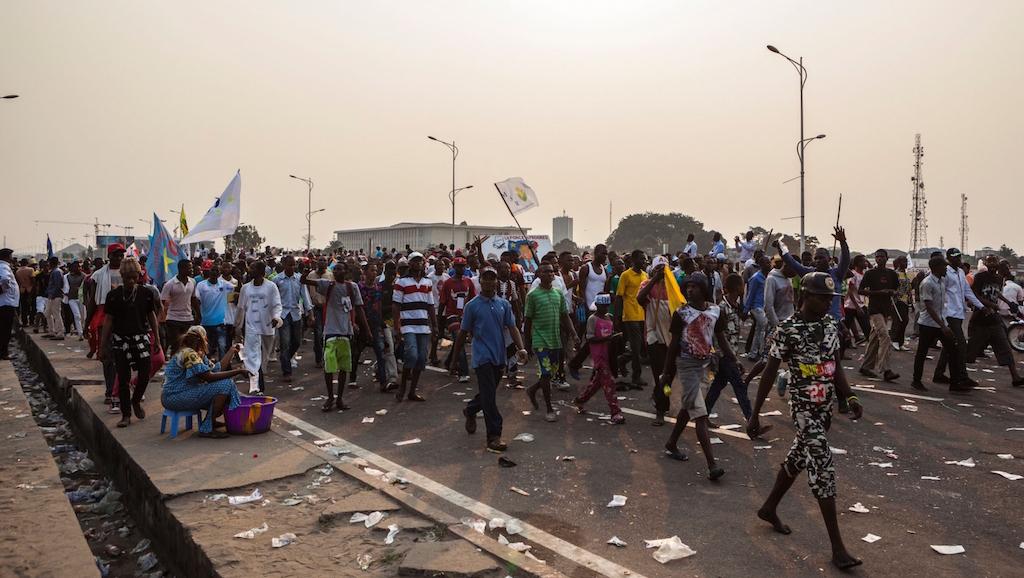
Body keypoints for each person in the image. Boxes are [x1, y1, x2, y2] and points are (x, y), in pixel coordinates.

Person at [746, 272, 864, 571]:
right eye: (822, 297)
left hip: (823, 410)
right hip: (803, 410)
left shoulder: (830, 325)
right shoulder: (787, 329)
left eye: (830, 298)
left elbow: (834, 365)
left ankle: (769, 507)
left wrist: (849, 397)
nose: (827, 303)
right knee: (822, 467)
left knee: (797, 459)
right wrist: (755, 413)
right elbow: (770, 371)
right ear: (805, 296)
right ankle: (837, 548)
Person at [659, 273, 730, 481]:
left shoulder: (715, 311)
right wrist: (667, 373)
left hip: (704, 363)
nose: (690, 290)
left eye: (695, 287)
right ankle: (712, 465)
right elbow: (673, 345)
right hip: (687, 365)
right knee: (700, 414)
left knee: (689, 406)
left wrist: (732, 359)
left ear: (704, 289)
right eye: (687, 287)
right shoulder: (681, 313)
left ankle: (671, 442)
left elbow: (720, 337)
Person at [453, 268, 528, 453]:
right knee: (490, 398)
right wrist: (454, 359)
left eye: (491, 279)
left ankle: (471, 409)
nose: (488, 282)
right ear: (481, 282)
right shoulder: (472, 306)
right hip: (482, 356)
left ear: (496, 282)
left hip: (498, 356)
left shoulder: (503, 304)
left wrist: (521, 348)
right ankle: (494, 435)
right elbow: (463, 333)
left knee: (488, 394)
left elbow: (512, 327)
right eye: (485, 279)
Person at [98, 258, 161, 428]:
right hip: (120, 340)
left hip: (141, 338)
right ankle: (126, 414)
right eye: (128, 278)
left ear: (139, 276)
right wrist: (102, 346)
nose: (131, 281)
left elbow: (151, 317)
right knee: (123, 378)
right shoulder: (114, 296)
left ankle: (136, 400)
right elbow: (108, 321)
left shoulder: (146, 293)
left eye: (135, 277)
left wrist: (157, 339)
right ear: (122, 277)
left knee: (145, 373)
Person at [301, 263, 370, 411]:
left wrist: (366, 329)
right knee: (329, 366)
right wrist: (304, 274)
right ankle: (330, 397)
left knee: (344, 367)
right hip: (331, 331)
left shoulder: (352, 288)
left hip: (346, 332)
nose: (337, 271)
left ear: (346, 271)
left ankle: (339, 398)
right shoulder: (328, 285)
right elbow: (305, 282)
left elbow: (359, 308)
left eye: (340, 269)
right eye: (335, 269)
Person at [160, 326, 248, 438]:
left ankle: (211, 422)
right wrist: (238, 371)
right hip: (175, 396)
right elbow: (209, 377)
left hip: (175, 395)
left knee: (223, 386)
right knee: (226, 384)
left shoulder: (196, 353)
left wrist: (231, 351)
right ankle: (207, 428)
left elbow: (217, 369)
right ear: (201, 340)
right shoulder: (189, 353)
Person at [524, 263, 579, 422]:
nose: (550, 274)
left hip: (556, 340)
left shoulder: (558, 294)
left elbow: (565, 316)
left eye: (551, 271)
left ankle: (532, 390)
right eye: (545, 271)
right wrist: (527, 346)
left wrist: (574, 334)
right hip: (540, 340)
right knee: (546, 373)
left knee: (551, 373)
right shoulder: (532, 296)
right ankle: (549, 408)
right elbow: (527, 322)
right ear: (539, 275)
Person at [636, 255, 685, 424]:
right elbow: (640, 299)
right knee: (660, 373)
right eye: (659, 269)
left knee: (669, 374)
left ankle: (658, 394)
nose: (663, 273)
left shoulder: (673, 288)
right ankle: (660, 410)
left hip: (671, 336)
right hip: (653, 334)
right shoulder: (646, 285)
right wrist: (654, 279)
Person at [704, 273, 756, 421]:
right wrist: (734, 359)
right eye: (742, 286)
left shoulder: (736, 305)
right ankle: (752, 420)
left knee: (718, 385)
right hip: (725, 355)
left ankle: (703, 415)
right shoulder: (721, 308)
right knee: (739, 386)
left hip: (731, 352)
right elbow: (720, 337)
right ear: (738, 287)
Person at [965, 255, 1024, 386]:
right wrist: (989, 305)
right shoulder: (980, 277)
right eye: (990, 266)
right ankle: (961, 374)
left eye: (995, 266)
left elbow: (996, 293)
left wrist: (1008, 302)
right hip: (980, 316)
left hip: (994, 318)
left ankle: (1015, 377)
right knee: (971, 350)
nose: (993, 268)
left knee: (1005, 346)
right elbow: (974, 294)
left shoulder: (999, 279)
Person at [911, 256, 964, 392]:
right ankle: (916, 381)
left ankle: (955, 383)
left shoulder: (941, 281)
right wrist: (943, 326)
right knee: (922, 353)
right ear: (936, 268)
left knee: (953, 351)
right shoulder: (928, 283)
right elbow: (929, 307)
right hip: (928, 324)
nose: (946, 269)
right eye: (944, 266)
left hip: (940, 322)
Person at [933, 248, 984, 388]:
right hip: (949, 313)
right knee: (961, 345)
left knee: (949, 345)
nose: (957, 259)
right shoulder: (946, 273)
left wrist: (981, 306)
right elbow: (940, 292)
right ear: (948, 258)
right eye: (954, 257)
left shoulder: (961, 272)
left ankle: (939, 373)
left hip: (959, 313)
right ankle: (962, 376)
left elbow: (968, 292)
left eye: (959, 256)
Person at [571, 293, 624, 423]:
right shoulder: (592, 319)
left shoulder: (608, 317)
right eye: (602, 306)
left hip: (608, 354)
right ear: (597, 305)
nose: (605, 309)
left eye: (606, 306)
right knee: (609, 383)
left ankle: (580, 400)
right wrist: (607, 338)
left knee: (597, 383)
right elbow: (590, 338)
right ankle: (615, 412)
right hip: (599, 355)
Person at [392, 252, 437, 402]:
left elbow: (430, 305)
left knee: (421, 358)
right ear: (410, 264)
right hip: (408, 324)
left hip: (423, 324)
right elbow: (396, 305)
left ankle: (412, 390)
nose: (417, 264)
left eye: (420, 261)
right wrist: (397, 326)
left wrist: (435, 325)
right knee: (411, 355)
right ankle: (403, 386)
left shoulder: (427, 282)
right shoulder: (402, 282)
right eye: (415, 261)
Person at [85, 244, 125, 405]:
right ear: (109, 256)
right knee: (107, 357)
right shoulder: (98, 275)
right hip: (104, 317)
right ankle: (110, 391)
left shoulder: (128, 272)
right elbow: (92, 301)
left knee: (124, 358)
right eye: (116, 255)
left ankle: (121, 389)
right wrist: (86, 323)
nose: (119, 258)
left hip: (125, 318)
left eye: (121, 255)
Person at [235, 261, 283, 394]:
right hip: (251, 327)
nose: (250, 270)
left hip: (267, 327)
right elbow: (240, 308)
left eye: (253, 268)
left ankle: (259, 382)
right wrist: (237, 325)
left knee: (262, 359)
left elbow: (277, 305)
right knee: (252, 357)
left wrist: (276, 318)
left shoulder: (271, 286)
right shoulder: (245, 288)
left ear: (261, 271)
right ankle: (256, 387)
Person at [858, 249, 900, 382]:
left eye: (882, 257)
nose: (879, 259)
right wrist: (878, 292)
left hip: (886, 309)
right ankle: (886, 369)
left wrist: (892, 292)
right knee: (884, 335)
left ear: (887, 258)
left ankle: (866, 366)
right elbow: (861, 290)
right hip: (874, 309)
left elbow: (896, 290)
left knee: (875, 337)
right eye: (877, 257)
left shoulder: (892, 274)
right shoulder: (870, 273)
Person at [273, 255, 310, 383]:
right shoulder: (277, 280)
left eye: (293, 264)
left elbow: (305, 296)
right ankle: (286, 371)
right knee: (285, 342)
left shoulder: (299, 279)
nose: (292, 267)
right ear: (284, 265)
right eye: (289, 264)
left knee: (296, 341)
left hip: (295, 313)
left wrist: (309, 311)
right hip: (283, 314)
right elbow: (273, 298)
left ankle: (285, 358)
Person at [614, 249, 648, 389]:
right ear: (634, 260)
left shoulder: (645, 275)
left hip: (642, 315)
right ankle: (636, 376)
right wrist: (617, 317)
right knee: (635, 346)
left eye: (645, 259)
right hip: (630, 315)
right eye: (641, 259)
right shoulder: (625, 275)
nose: (644, 262)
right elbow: (619, 297)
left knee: (639, 347)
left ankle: (621, 360)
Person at [439, 257, 476, 383]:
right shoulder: (448, 283)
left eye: (463, 266)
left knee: (458, 341)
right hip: (451, 315)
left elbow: (473, 300)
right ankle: (463, 372)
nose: (461, 268)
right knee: (460, 340)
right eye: (459, 266)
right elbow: (442, 303)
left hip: (464, 316)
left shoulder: (469, 282)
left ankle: (449, 361)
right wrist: (440, 322)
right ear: (454, 267)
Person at [195, 267, 235, 359]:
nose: (214, 272)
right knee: (206, 347)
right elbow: (196, 299)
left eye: (216, 271)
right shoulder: (201, 285)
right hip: (205, 322)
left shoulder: (224, 285)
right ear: (208, 272)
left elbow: (235, 288)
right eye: (212, 270)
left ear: (219, 273)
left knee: (222, 346)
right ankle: (207, 366)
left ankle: (223, 368)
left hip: (220, 322)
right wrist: (198, 314)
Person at [160, 259, 198, 354]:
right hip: (173, 319)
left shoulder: (192, 282)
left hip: (188, 318)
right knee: (176, 345)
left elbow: (193, 299)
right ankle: (175, 366)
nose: (192, 270)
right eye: (190, 268)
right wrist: (161, 319)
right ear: (181, 268)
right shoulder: (170, 284)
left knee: (189, 346)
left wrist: (198, 314)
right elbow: (162, 302)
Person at [743, 256, 771, 359]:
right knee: (764, 325)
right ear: (761, 265)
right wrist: (746, 309)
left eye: (769, 263)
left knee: (759, 330)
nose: (769, 265)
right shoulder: (756, 278)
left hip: (763, 306)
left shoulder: (768, 277)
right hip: (756, 306)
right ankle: (761, 352)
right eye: (767, 263)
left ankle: (753, 353)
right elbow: (750, 294)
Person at [305, 257, 329, 368]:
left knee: (327, 334)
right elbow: (307, 293)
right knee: (318, 333)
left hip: (327, 308)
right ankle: (319, 358)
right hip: (315, 308)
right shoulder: (311, 275)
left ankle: (326, 356)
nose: (323, 262)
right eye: (321, 260)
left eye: (324, 261)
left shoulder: (330, 275)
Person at [890, 256, 913, 350]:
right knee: (897, 321)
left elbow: (908, 288)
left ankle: (900, 342)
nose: (906, 263)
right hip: (897, 301)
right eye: (904, 262)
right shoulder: (895, 274)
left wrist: (910, 299)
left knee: (905, 321)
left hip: (905, 301)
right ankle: (894, 340)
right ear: (899, 263)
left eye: (906, 261)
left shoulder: (906, 274)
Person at [0, 249, 18, 360]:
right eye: (11, 256)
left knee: (3, 328)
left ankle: (3, 351)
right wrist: (3, 289)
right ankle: (3, 353)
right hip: (7, 303)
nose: (12, 258)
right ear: (7, 257)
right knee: (5, 329)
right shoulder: (3, 266)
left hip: (6, 302)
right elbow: (5, 279)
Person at [43, 256, 65, 340]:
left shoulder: (56, 272)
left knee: (56, 314)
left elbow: (58, 285)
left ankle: (60, 333)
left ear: (51, 263)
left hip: (55, 296)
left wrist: (52, 294)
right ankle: (51, 331)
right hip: (52, 295)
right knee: (47, 313)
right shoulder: (55, 271)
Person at [64, 261, 86, 339]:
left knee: (83, 317)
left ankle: (84, 330)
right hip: (72, 299)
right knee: (77, 316)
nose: (78, 268)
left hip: (81, 298)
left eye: (79, 266)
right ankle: (80, 333)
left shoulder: (84, 276)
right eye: (76, 267)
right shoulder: (68, 277)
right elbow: (65, 287)